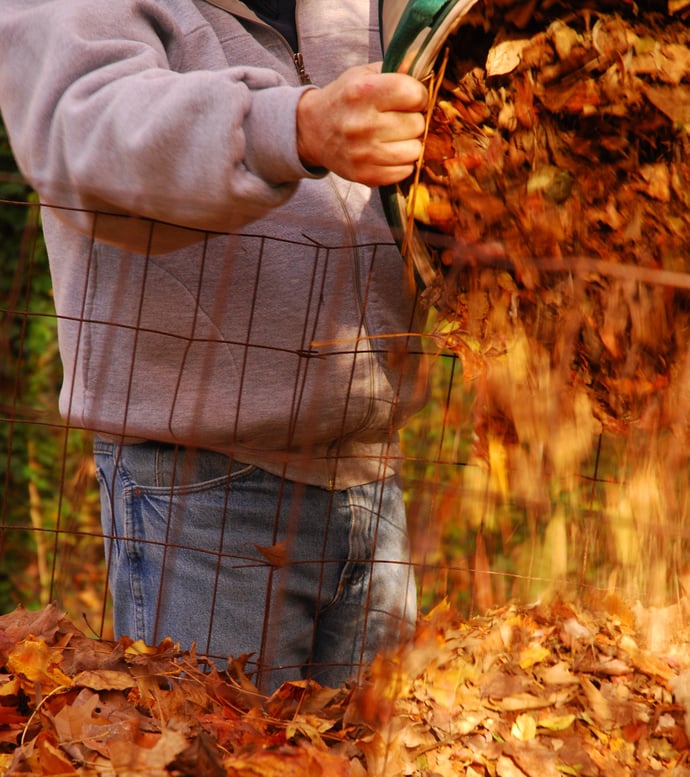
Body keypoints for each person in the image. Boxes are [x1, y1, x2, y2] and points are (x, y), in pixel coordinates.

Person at [0, 0, 430, 692]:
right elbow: (81, 127)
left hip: (371, 474)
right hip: (200, 494)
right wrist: (293, 127)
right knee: (215, 756)